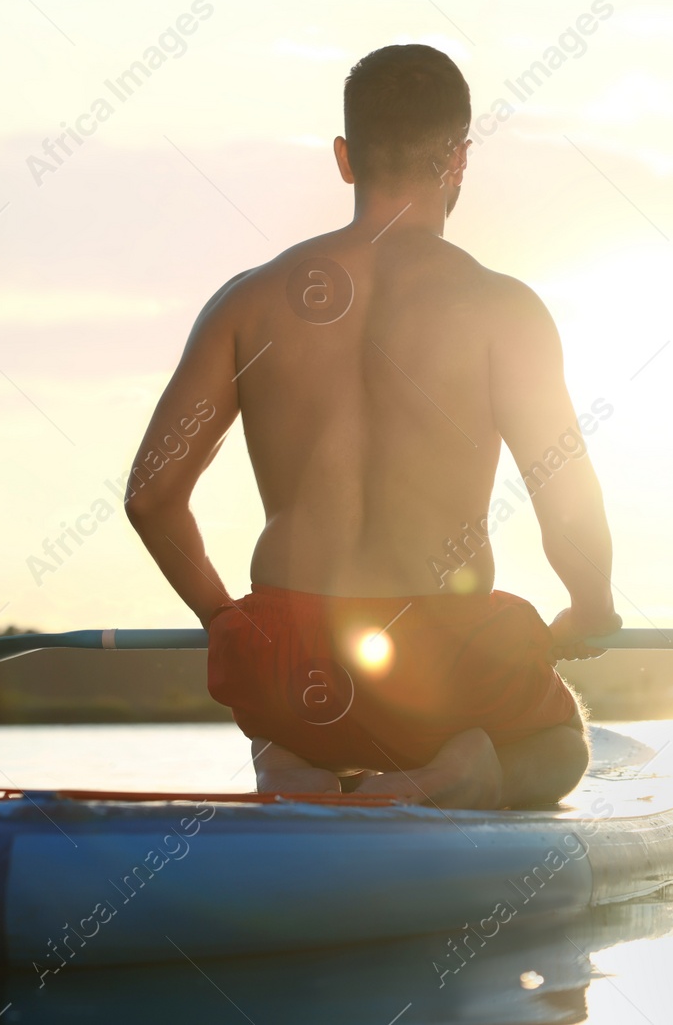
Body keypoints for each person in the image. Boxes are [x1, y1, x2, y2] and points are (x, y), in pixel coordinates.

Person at [124, 44, 619, 809]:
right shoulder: (504, 310)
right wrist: (592, 607)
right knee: (564, 749)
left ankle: (287, 761)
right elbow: (569, 514)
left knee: (281, 708)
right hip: (444, 661)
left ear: (345, 158)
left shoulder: (248, 302)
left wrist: (224, 621)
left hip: (288, 656)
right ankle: (457, 773)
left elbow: (152, 496)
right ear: (459, 160)